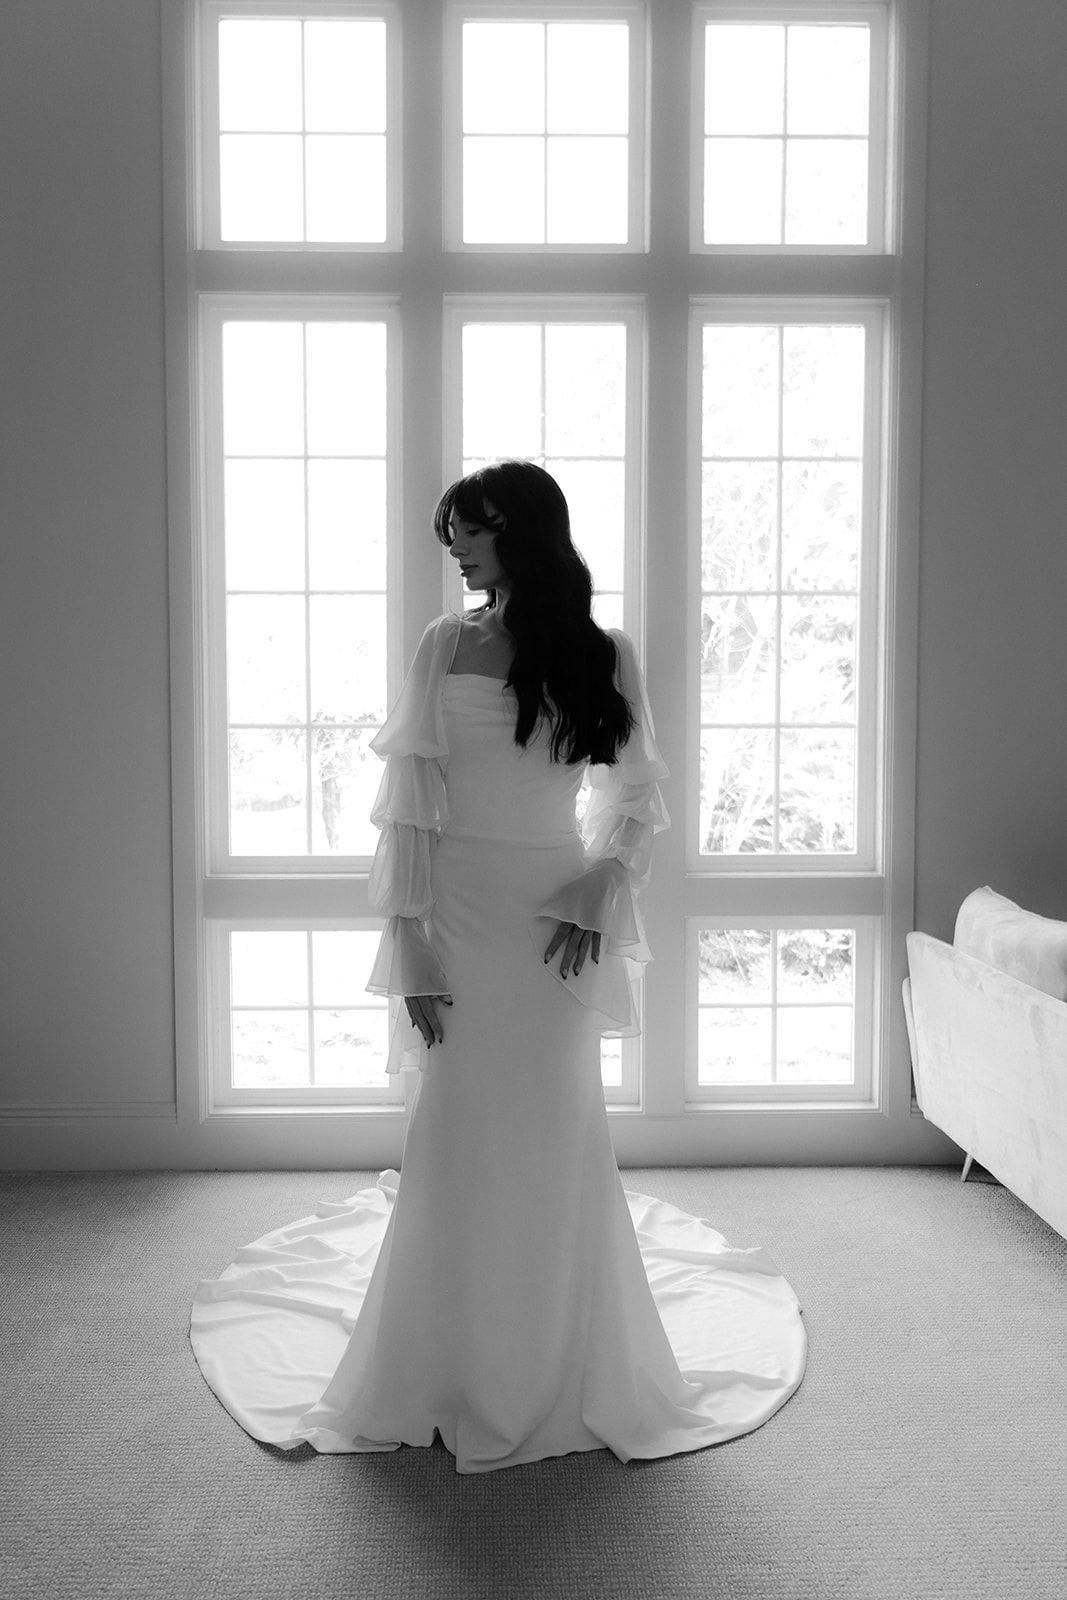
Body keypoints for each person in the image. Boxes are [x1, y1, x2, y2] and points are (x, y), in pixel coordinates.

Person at [190, 461, 806, 1473]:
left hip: (555, 915)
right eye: (449, 534)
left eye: (471, 530)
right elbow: (407, 803)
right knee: (458, 1117)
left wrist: (601, 883)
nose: (457, 549)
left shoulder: (602, 651)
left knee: (558, 1118)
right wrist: (413, 937)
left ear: (522, 532)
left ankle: (562, 1352)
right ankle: (441, 1360)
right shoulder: (445, 643)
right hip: (461, 913)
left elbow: (636, 792)